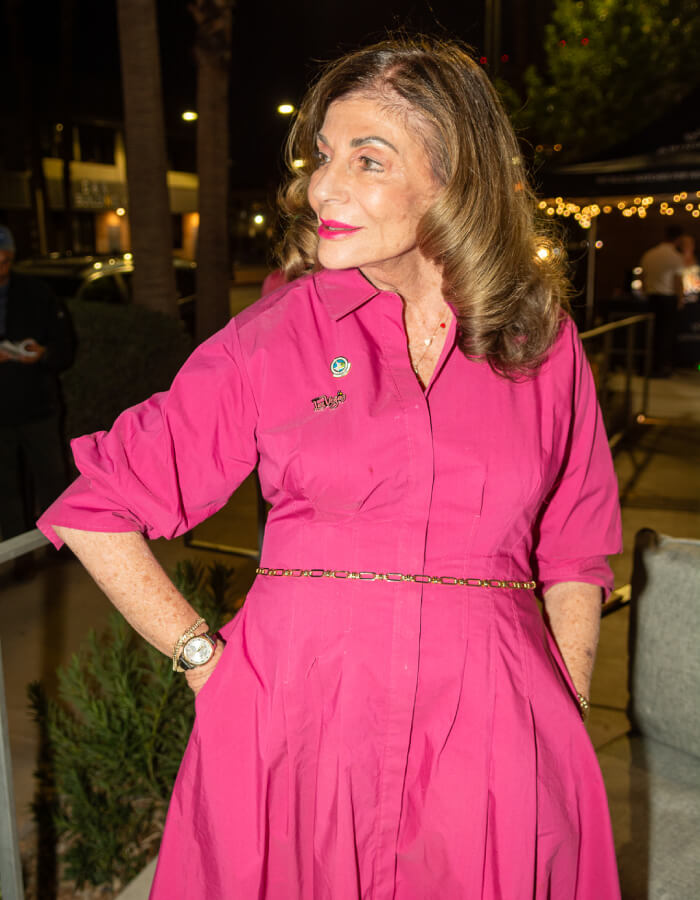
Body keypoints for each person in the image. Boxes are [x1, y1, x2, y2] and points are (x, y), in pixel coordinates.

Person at [38, 37, 622, 899]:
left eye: (367, 158)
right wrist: (204, 660)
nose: (325, 186)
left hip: (493, 728)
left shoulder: (539, 344)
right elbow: (98, 508)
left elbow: (574, 547)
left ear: (452, 180)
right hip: (294, 719)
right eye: (323, 157)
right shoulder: (274, 338)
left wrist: (560, 705)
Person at [0, 225, 74, 548]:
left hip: (38, 406)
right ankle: (18, 555)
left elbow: (65, 346)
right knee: (6, 489)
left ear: (12, 258)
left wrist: (44, 354)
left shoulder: (36, 293)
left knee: (52, 480)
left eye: (3, 261)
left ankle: (62, 545)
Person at [640, 225, 686, 376]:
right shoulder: (675, 256)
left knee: (651, 333)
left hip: (652, 298)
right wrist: (681, 299)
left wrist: (645, 292)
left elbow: (642, 277)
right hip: (667, 298)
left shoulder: (650, 254)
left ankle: (649, 367)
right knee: (666, 334)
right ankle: (662, 368)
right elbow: (677, 281)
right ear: (678, 239)